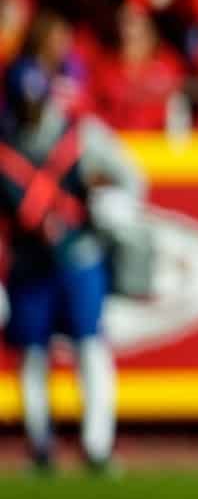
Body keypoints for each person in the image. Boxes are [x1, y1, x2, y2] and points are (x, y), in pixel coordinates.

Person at [0, 57, 143, 473]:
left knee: (89, 343)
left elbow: (132, 177)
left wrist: (113, 202)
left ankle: (97, 443)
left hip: (78, 254)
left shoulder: (80, 136)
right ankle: (40, 443)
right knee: (32, 352)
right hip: (27, 261)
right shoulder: (6, 145)